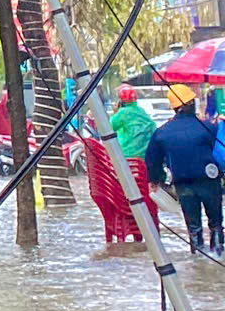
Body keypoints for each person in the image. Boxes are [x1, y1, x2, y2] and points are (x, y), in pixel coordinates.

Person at [144, 83, 222, 257]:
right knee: (215, 222)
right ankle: (218, 255)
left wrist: (155, 180)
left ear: (174, 107)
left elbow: (152, 160)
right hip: (209, 181)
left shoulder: (162, 133)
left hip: (183, 184)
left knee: (193, 226)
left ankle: (198, 259)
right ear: (191, 104)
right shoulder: (208, 127)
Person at [89, 87, 159, 245]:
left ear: (120, 101)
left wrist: (115, 113)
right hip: (144, 165)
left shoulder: (121, 114)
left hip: (126, 164)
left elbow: (107, 128)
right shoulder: (143, 113)